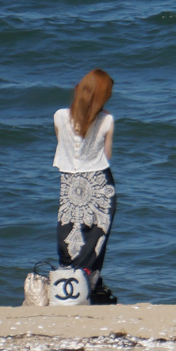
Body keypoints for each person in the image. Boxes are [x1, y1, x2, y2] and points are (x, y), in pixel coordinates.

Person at [53, 69, 118, 304]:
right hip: (100, 183)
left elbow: (62, 145)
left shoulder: (59, 116)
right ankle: (87, 289)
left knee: (68, 236)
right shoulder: (107, 120)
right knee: (95, 241)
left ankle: (67, 288)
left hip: (70, 185)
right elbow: (107, 155)